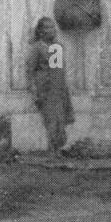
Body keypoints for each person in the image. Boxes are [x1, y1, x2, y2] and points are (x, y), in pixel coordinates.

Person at [26, 16, 74, 155]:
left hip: (58, 89)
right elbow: (30, 71)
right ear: (40, 31)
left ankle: (57, 150)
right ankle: (52, 151)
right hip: (45, 90)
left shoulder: (56, 47)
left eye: (53, 27)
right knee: (51, 120)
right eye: (47, 27)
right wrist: (34, 90)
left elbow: (58, 70)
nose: (51, 30)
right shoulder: (37, 48)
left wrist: (63, 89)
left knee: (60, 119)